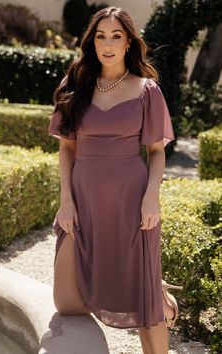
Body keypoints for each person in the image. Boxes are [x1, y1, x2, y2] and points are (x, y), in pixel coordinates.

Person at [48, 6, 183, 354]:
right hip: (83, 199)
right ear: (92, 41)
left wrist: (151, 196)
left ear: (128, 44)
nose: (107, 44)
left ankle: (154, 292)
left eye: (116, 36)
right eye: (100, 36)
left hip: (132, 200)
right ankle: (153, 285)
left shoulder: (146, 90)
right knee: (66, 303)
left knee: (145, 305)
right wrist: (66, 201)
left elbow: (156, 151)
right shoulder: (74, 85)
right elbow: (67, 150)